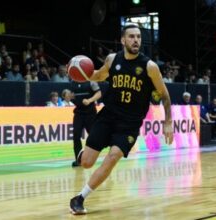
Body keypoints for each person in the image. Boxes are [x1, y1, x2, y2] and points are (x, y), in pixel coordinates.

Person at [69, 24, 173, 215]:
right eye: (132, 37)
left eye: (139, 37)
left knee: (113, 156)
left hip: (130, 124)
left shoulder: (149, 67)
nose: (136, 40)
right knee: (86, 163)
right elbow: (98, 75)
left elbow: (164, 95)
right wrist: (79, 70)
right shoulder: (112, 60)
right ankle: (83, 154)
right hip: (108, 116)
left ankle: (79, 198)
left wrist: (168, 122)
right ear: (123, 40)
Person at [70, 81, 101, 167]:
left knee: (93, 136)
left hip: (90, 113)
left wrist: (89, 100)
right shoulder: (73, 83)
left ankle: (93, 156)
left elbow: (99, 93)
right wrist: (71, 98)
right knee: (76, 135)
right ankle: (78, 160)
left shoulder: (91, 81)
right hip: (79, 113)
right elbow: (73, 96)